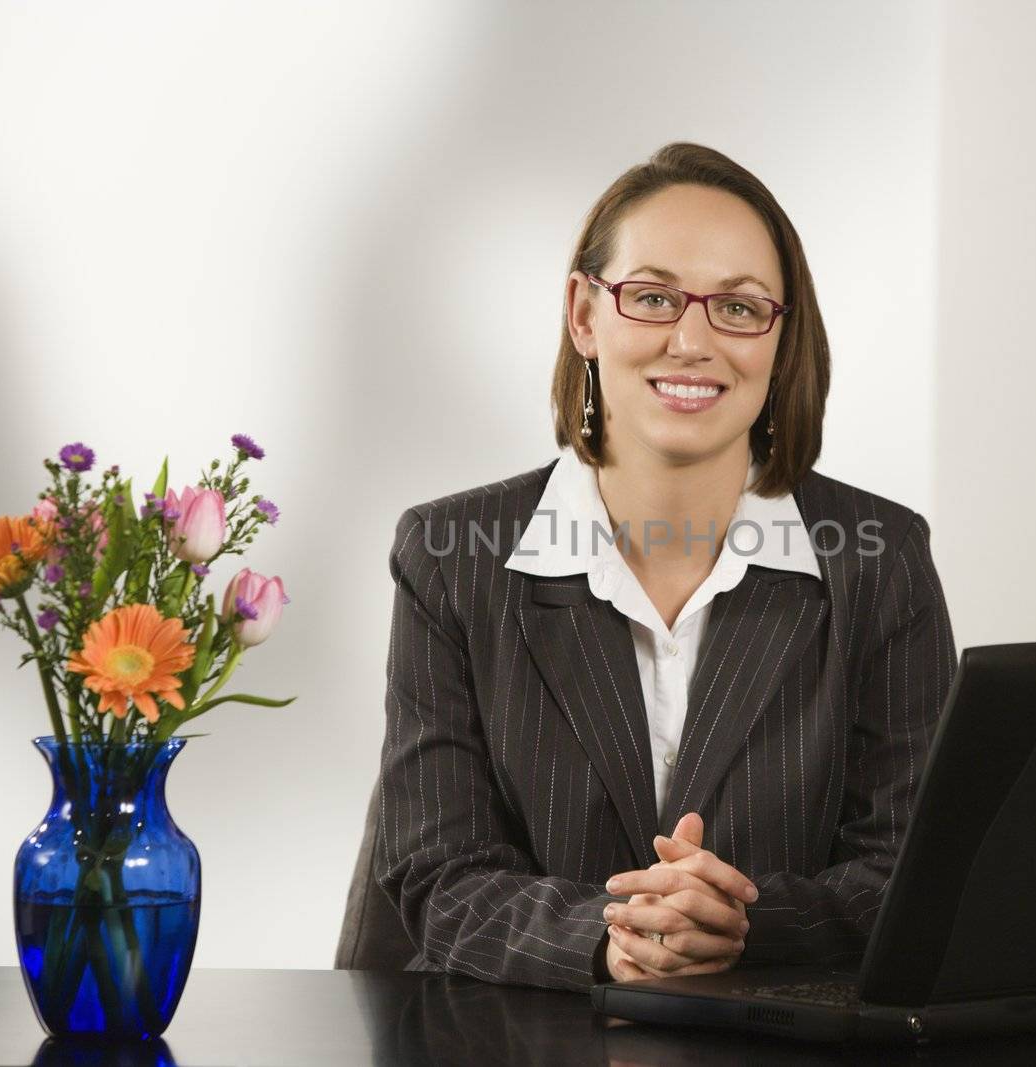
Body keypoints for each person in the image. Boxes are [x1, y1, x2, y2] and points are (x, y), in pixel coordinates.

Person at [335, 141, 957, 992]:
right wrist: (611, 937)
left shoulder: (881, 558)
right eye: (653, 297)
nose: (693, 340)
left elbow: (913, 870)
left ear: (782, 338)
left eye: (739, 308)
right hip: (516, 1044)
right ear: (584, 315)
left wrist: (744, 923)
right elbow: (438, 872)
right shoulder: (451, 556)